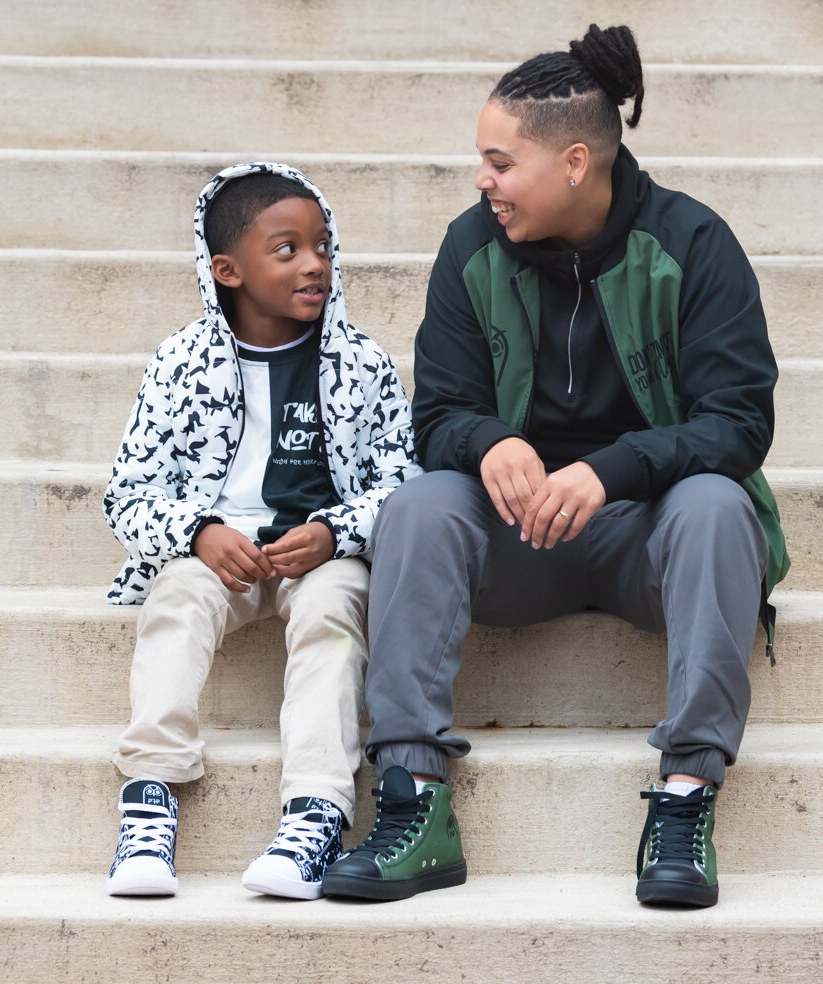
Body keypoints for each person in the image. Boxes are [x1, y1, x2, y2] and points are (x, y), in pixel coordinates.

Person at [320, 25, 788, 909]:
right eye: (480, 161)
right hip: (515, 541)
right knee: (420, 507)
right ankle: (413, 803)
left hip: (650, 542)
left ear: (575, 162)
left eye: (500, 161)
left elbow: (738, 424)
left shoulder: (693, 244)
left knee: (720, 508)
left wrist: (613, 470)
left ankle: (685, 800)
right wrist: (491, 442)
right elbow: (439, 415)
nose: (480, 181)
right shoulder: (471, 249)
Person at [101, 162, 419, 900]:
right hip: (221, 553)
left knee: (334, 612)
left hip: (320, 551)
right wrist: (198, 531)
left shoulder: (360, 364)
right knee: (178, 597)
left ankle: (316, 811)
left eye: (323, 246)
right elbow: (128, 494)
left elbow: (404, 481)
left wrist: (338, 532)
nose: (315, 264)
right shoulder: (181, 363)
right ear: (229, 270)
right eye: (288, 250)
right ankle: (150, 794)